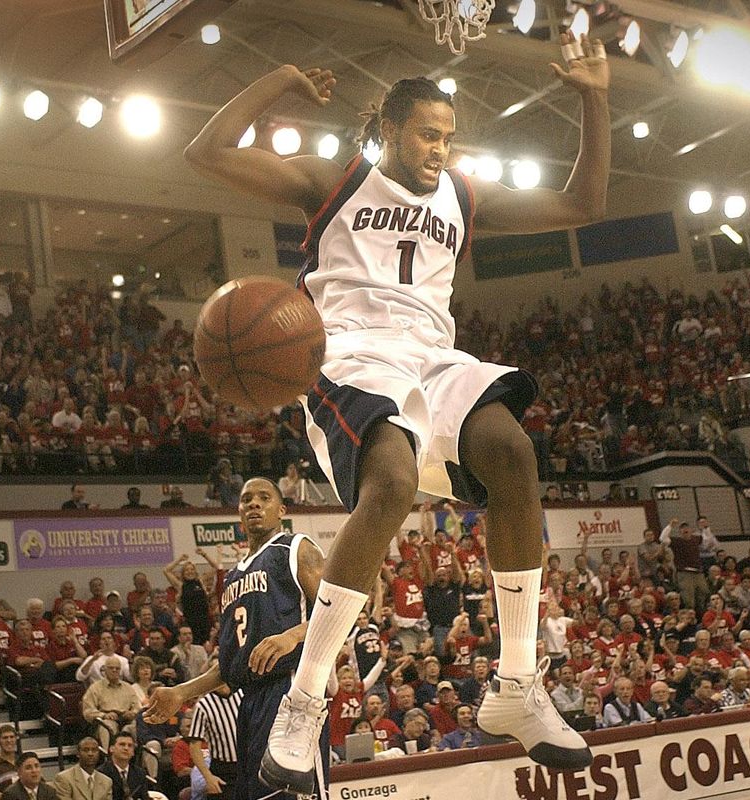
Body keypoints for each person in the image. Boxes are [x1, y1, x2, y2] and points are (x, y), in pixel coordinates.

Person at [182, 34, 609, 787]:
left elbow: (583, 203)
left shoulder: (463, 195)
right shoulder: (337, 179)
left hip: (433, 356)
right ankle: (306, 698)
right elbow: (205, 150)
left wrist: (594, 97)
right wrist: (279, 75)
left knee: (514, 453)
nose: (440, 148)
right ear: (388, 130)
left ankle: (515, 686)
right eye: (427, 134)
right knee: (391, 481)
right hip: (346, 352)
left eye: (449, 136)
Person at [146, 477, 330, 798]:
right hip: (250, 703)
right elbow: (228, 667)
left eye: (264, 498)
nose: (254, 504)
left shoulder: (296, 547)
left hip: (292, 690)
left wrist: (293, 635)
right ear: (240, 513)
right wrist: (181, 692)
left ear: (281, 510)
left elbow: (339, 614)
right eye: (246, 500)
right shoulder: (232, 577)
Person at [96, 731, 152, 800]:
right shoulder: (101, 773)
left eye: (130, 745)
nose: (126, 748)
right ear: (111, 749)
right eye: (122, 744)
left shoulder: (140, 773)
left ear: (133, 752)